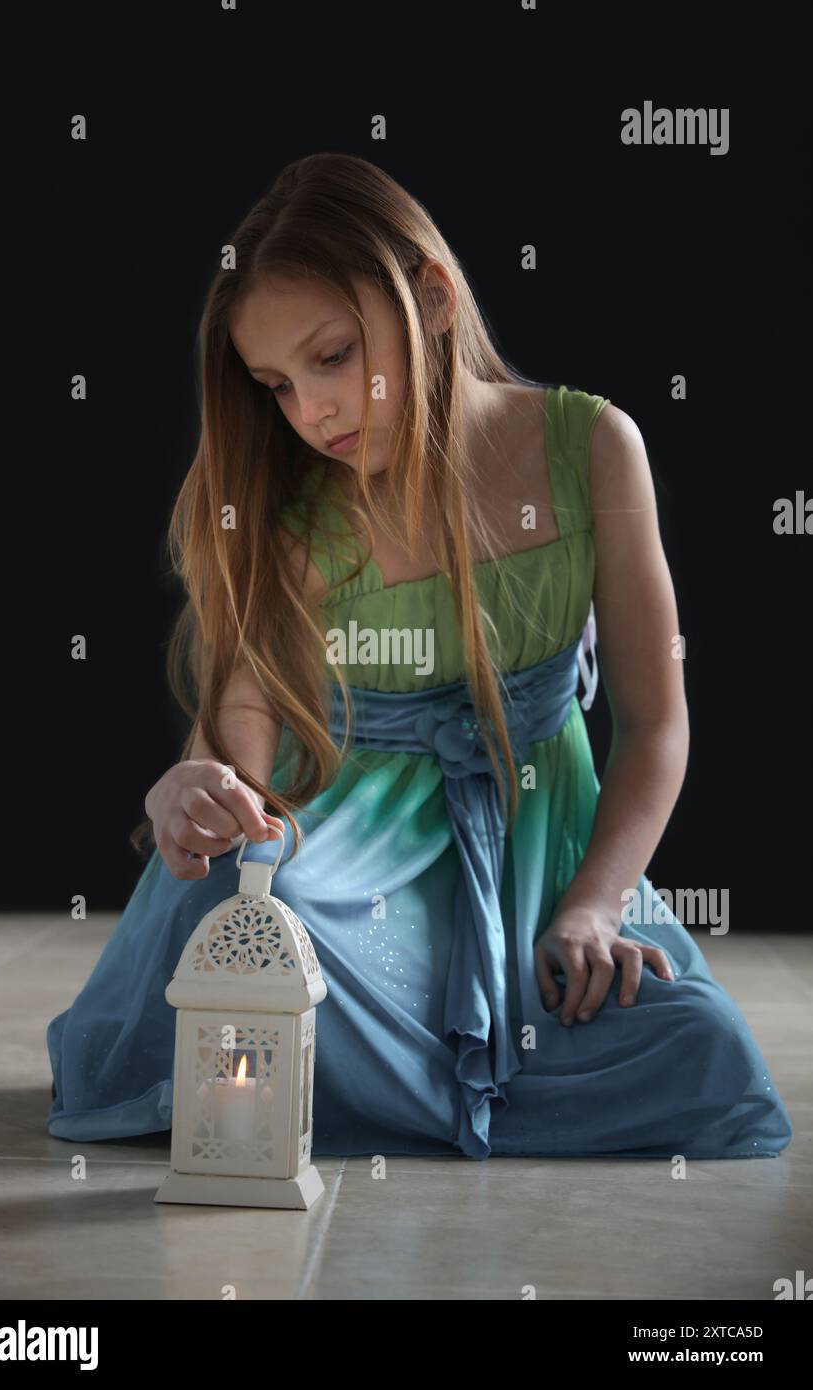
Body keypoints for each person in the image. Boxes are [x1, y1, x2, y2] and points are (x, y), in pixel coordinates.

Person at [45, 152, 792, 1160]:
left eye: (332, 357)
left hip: (539, 848)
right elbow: (245, 747)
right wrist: (197, 787)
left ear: (431, 297)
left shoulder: (592, 447)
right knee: (259, 927)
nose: (310, 412)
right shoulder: (293, 511)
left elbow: (655, 724)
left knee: (696, 1048)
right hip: (353, 860)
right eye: (275, 385)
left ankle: (402, 1070)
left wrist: (590, 905)